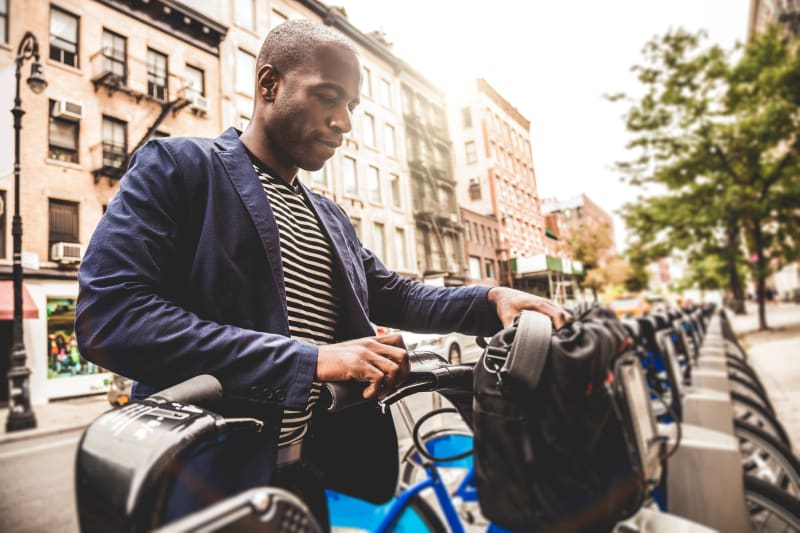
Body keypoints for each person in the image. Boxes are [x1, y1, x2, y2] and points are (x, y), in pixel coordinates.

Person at [75, 19, 568, 529]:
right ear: (269, 85)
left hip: (313, 474)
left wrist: (490, 300)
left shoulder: (329, 215)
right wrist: (310, 359)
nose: (344, 122)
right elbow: (109, 318)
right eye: (328, 97)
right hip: (212, 482)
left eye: (351, 105)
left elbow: (393, 293)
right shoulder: (179, 167)